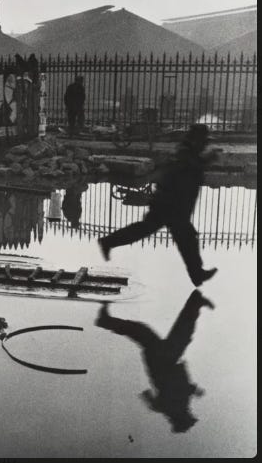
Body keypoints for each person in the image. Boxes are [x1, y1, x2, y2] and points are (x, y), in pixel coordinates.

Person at [98, 124, 221, 287]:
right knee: (182, 238)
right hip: (169, 205)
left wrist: (204, 160)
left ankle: (197, 274)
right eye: (203, 141)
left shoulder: (188, 152)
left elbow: (192, 168)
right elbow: (189, 168)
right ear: (196, 140)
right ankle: (197, 274)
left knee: (182, 238)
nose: (205, 144)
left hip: (173, 205)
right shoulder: (185, 153)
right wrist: (206, 160)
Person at [95, 290, 215, 433]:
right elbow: (161, 397)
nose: (190, 412)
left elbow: (174, 393)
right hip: (165, 360)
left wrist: (194, 390)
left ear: (183, 417)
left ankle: (196, 302)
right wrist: (193, 390)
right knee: (168, 333)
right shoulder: (173, 407)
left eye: (189, 416)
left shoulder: (174, 407)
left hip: (163, 362)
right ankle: (196, 302)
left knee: (166, 333)